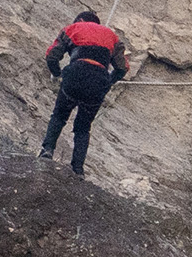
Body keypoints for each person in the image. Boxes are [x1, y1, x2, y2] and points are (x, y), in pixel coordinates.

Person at [41, 9, 130, 178]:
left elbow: (52, 56)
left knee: (59, 115)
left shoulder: (73, 28)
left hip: (76, 73)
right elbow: (122, 68)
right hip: (99, 81)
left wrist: (57, 74)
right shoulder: (112, 36)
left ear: (80, 20)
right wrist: (108, 82)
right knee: (83, 127)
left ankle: (47, 151)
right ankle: (78, 170)